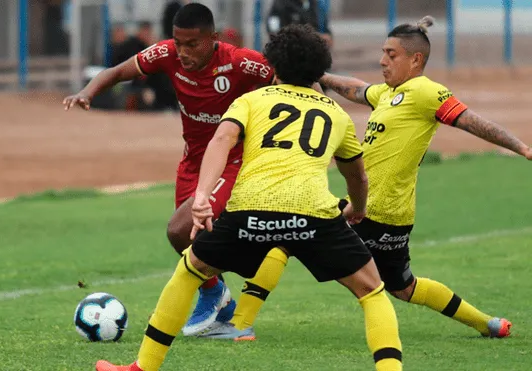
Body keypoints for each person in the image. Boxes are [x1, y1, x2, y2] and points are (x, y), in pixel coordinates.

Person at [199, 16, 531, 341]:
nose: (382, 60)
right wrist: (314, 72)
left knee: (283, 238)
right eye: (383, 53)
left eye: (391, 54)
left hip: (375, 208)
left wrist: (521, 147)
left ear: (416, 59)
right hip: (381, 210)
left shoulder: (427, 92)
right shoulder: (389, 93)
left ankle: (240, 324)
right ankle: (487, 323)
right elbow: (357, 89)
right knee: (404, 287)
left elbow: (473, 121)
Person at [95, 23, 404, 371]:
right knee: (372, 291)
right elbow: (357, 176)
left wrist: (201, 197)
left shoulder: (252, 100)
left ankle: (142, 368)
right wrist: (357, 209)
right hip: (315, 214)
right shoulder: (337, 114)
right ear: (318, 70)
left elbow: (221, 141)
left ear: (274, 66)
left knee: (190, 270)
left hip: (250, 211)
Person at [63, 3, 287, 337]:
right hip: (192, 162)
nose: (182, 52)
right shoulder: (165, 54)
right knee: (187, 240)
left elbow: (290, 77)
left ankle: (217, 289)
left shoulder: (240, 61)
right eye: (177, 42)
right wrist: (87, 92)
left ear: (213, 38)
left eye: (191, 44)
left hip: (232, 160)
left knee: (181, 229)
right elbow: (118, 72)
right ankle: (224, 308)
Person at [266, 0, 333, 48]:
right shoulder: (280, 4)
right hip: (290, 56)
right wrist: (315, 37)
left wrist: (328, 37)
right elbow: (275, 33)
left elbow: (325, 28)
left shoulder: (316, 5)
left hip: (313, 56)